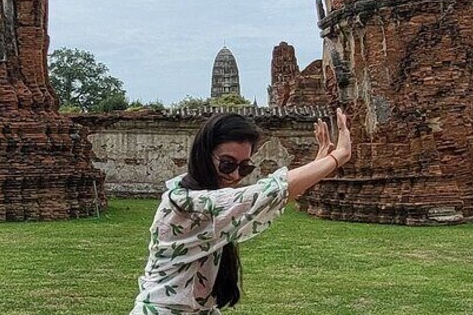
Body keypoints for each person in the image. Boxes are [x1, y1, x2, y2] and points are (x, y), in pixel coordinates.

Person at [130, 108, 352, 314]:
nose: (235, 176)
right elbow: (264, 196)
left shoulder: (195, 197)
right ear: (204, 155)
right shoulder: (187, 204)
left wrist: (318, 165)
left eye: (244, 167)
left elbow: (263, 202)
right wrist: (337, 157)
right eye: (227, 164)